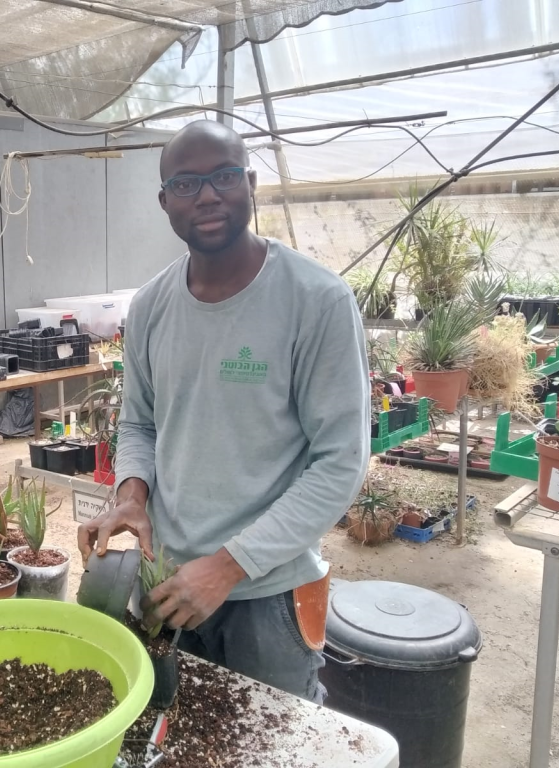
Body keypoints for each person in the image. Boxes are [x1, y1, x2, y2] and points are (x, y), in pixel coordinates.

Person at [77, 120, 370, 703]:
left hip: (269, 596)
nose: (207, 195)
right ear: (164, 202)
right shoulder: (154, 305)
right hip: (164, 582)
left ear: (251, 185)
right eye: (185, 184)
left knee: (272, 746)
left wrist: (229, 565)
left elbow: (340, 463)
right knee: (169, 730)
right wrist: (131, 498)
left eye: (223, 177)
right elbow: (139, 421)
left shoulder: (316, 301)